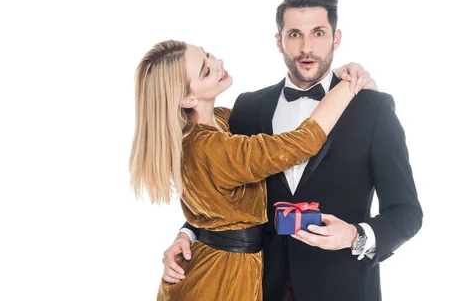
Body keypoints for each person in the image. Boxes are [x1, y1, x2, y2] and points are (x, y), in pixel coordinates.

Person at [161, 0, 423, 301]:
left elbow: (407, 212)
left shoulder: (372, 109)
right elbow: (220, 191)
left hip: (344, 289)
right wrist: (188, 232)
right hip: (259, 288)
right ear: (279, 40)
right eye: (295, 34)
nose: (306, 48)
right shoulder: (247, 108)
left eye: (319, 33)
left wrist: (354, 235)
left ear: (336, 39)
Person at [129, 39, 376, 300]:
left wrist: (186, 233)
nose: (218, 63)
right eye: (205, 69)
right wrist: (349, 86)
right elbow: (300, 143)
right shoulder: (209, 146)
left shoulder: (221, 121)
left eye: (208, 54)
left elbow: (213, 207)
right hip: (218, 280)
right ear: (187, 98)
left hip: (232, 268)